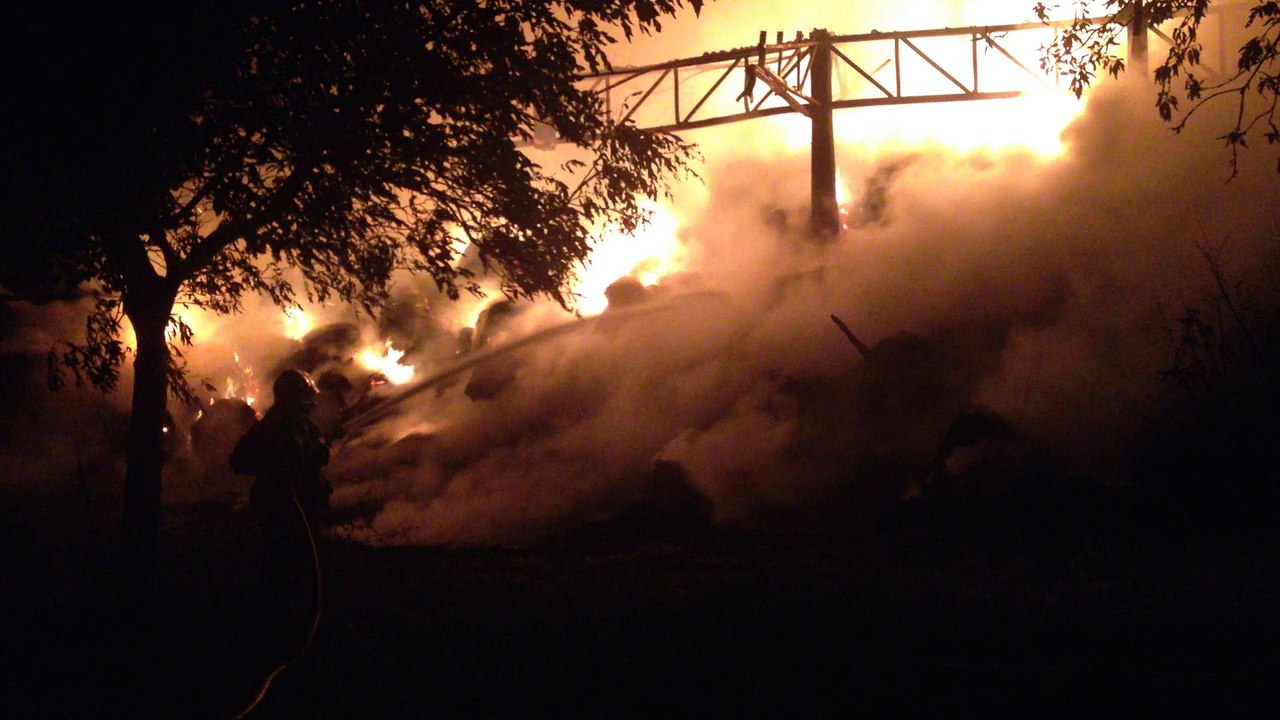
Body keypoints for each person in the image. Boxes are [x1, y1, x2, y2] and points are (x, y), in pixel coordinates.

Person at [229, 369, 333, 584]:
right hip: (280, 506)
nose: (309, 404)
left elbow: (315, 457)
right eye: (305, 398)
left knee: (307, 570)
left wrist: (316, 453)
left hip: (306, 507)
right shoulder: (269, 429)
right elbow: (238, 461)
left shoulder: (305, 427)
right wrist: (276, 465)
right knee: (283, 566)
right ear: (293, 399)